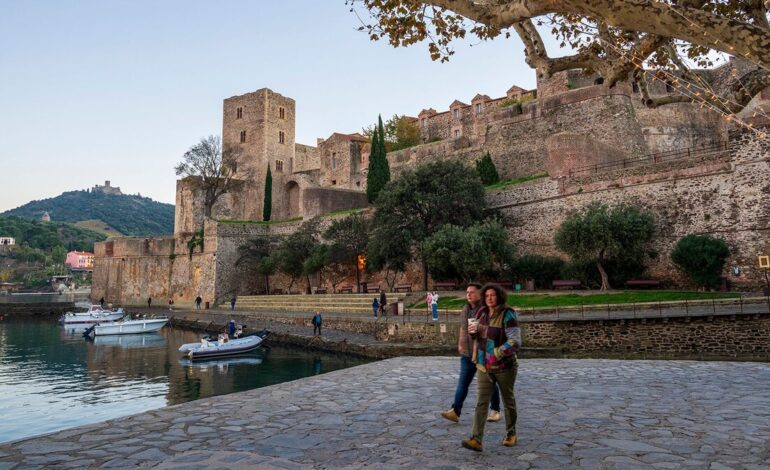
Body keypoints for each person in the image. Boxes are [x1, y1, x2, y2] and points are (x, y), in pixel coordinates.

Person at [462, 283, 521, 452]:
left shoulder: (507, 314)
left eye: (492, 295)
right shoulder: (481, 313)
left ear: (499, 296)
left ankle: (511, 433)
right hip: (483, 365)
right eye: (486, 295)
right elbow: (477, 335)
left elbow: (515, 341)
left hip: (504, 366)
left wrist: (497, 351)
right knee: (481, 402)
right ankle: (476, 439)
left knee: (508, 401)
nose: (489, 298)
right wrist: (473, 331)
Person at [441, 283, 501, 424]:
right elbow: (463, 329)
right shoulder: (465, 309)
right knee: (462, 383)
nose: (468, 294)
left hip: (482, 353)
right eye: (467, 292)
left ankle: (496, 410)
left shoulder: (485, 310)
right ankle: (456, 411)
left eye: (472, 292)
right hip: (467, 354)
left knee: (490, 382)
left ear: (479, 294)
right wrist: (460, 344)